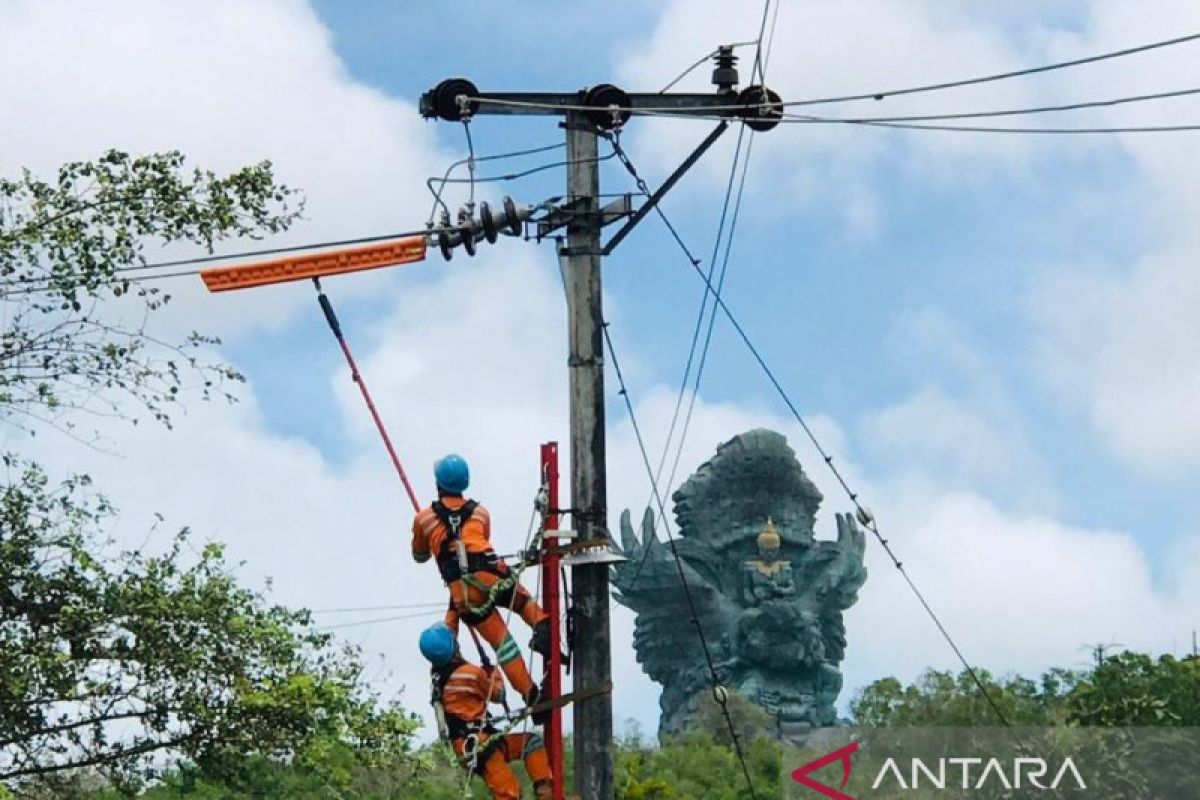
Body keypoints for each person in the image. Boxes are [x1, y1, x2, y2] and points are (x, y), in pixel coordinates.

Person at [412, 453, 550, 708]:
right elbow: (481, 541)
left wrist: (429, 536)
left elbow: (419, 555)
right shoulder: (480, 513)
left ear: (438, 483)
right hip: (490, 574)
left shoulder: (424, 518)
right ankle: (542, 627)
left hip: (465, 594)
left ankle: (531, 695)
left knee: (503, 645)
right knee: (522, 602)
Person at [421, 622, 553, 800]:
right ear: (454, 646)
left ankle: (546, 794)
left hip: (476, 742)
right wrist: (493, 673)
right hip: (478, 744)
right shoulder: (469, 674)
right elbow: (499, 694)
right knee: (509, 794)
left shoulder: (438, 678)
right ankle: (544, 792)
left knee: (531, 743)